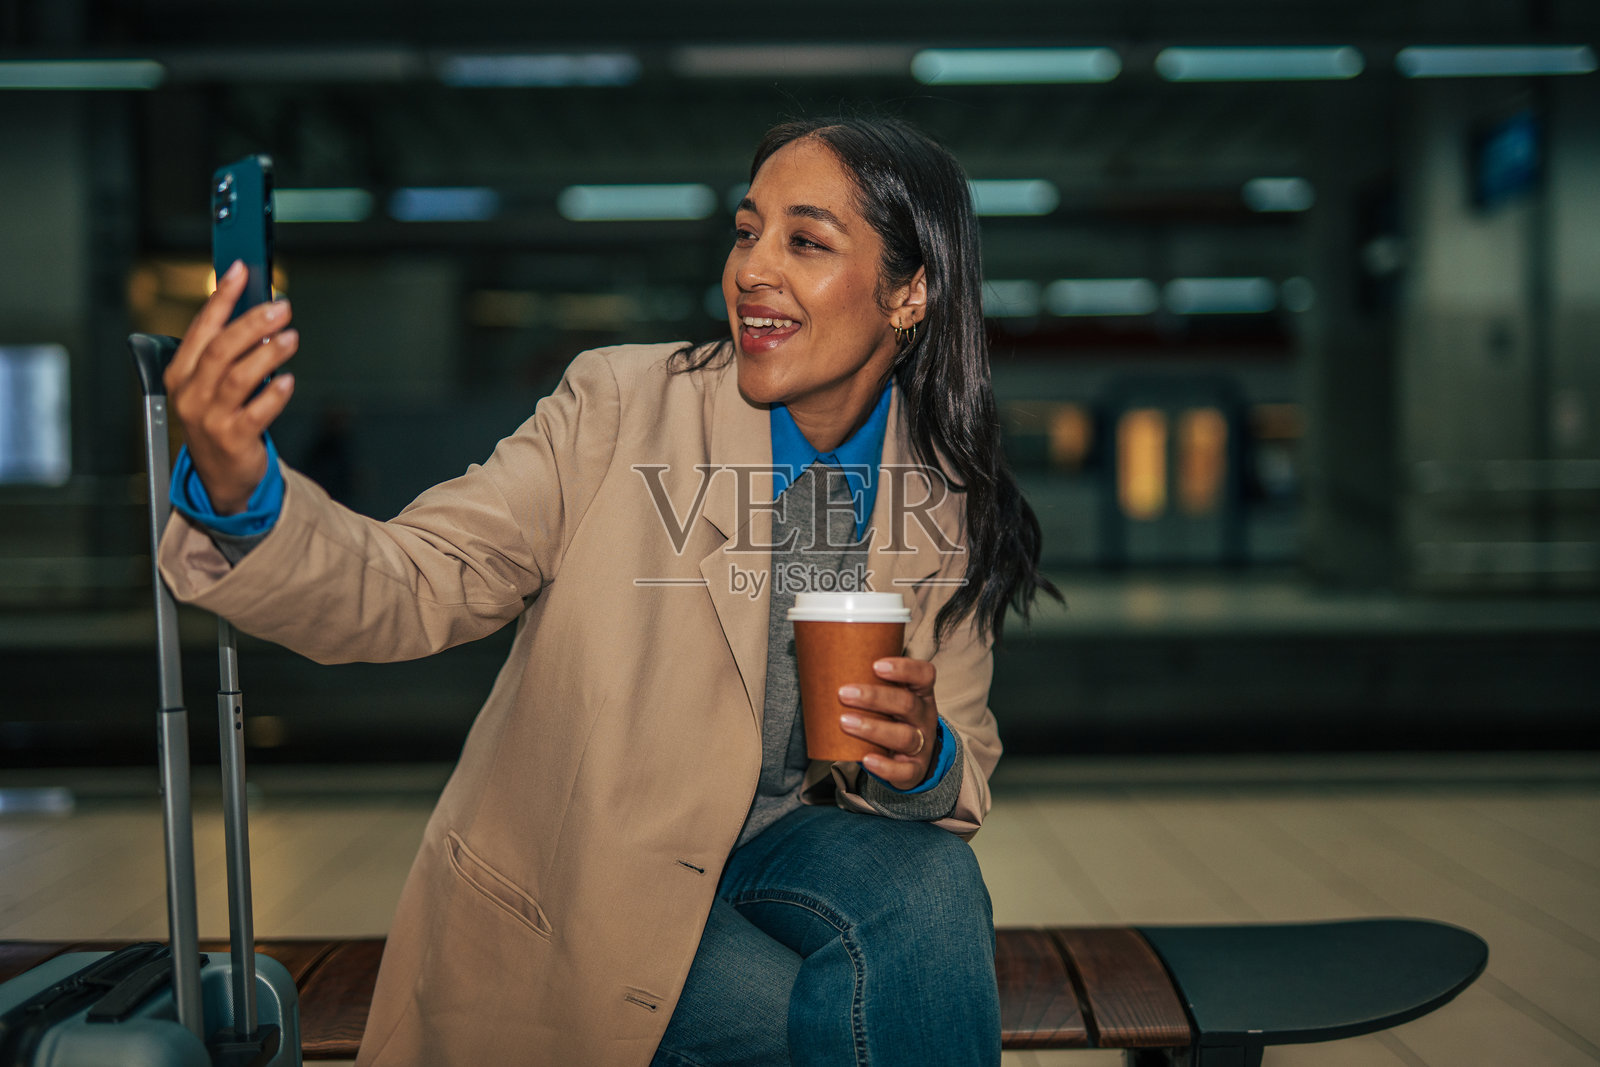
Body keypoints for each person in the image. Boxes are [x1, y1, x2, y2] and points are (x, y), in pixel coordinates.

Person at [158, 115, 1055, 1067]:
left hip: (790, 853)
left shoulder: (942, 494)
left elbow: (963, 769)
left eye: (806, 240)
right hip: (595, 876)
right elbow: (416, 580)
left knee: (931, 886)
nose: (752, 268)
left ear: (909, 291)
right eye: (747, 231)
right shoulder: (620, 407)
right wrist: (239, 492)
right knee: (833, 1019)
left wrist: (923, 757)